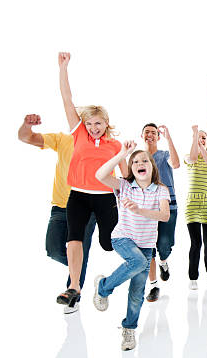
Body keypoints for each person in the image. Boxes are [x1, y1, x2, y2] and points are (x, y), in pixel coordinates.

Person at [55, 52, 128, 308]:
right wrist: (63, 68)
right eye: (90, 123)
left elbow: (126, 177)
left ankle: (103, 284)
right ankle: (73, 286)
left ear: (106, 123)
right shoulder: (79, 135)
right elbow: (67, 99)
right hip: (78, 196)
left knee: (110, 245)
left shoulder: (116, 144)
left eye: (98, 123)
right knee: (73, 237)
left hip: (106, 198)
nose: (93, 127)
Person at [93, 142, 171, 351]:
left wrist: (140, 210)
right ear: (131, 168)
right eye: (135, 161)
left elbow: (165, 215)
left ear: (152, 166)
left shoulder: (160, 190)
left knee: (137, 291)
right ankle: (103, 288)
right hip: (122, 238)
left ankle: (129, 328)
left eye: (144, 160)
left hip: (146, 245)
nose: (140, 163)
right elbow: (100, 175)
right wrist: (122, 154)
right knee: (138, 262)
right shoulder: (125, 186)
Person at [17, 114, 96, 314]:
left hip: (87, 208)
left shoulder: (99, 145)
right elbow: (26, 137)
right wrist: (26, 126)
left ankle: (74, 292)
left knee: (78, 247)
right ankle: (79, 270)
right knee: (53, 249)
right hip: (60, 206)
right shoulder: (63, 139)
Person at [140, 123, 180, 302]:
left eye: (154, 133)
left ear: (158, 137)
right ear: (142, 136)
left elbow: (177, 163)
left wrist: (169, 136)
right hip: (146, 209)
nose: (150, 135)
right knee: (148, 248)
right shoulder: (138, 158)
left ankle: (164, 262)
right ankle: (154, 285)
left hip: (168, 207)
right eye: (147, 132)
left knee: (164, 245)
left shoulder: (164, 155)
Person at [184, 125, 207, 290]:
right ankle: (193, 277)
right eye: (198, 138)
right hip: (193, 204)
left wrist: (202, 146)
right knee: (195, 242)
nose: (201, 140)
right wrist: (195, 136)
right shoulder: (188, 158)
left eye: (204, 138)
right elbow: (193, 158)